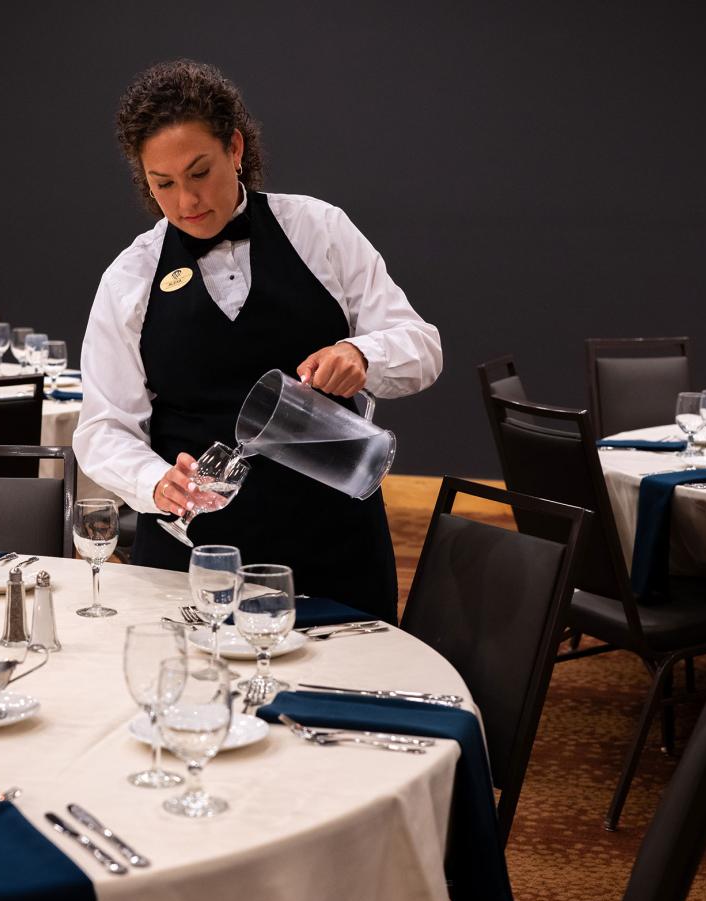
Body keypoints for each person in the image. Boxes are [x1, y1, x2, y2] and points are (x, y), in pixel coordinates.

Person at [73, 60, 441, 618]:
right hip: (191, 559)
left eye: (199, 173)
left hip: (333, 543)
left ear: (236, 148)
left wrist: (362, 354)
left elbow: (422, 346)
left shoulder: (320, 229)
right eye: (163, 184)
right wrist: (155, 482)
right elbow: (102, 428)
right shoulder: (130, 276)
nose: (186, 201)